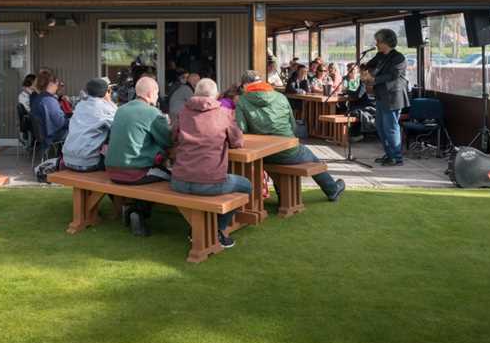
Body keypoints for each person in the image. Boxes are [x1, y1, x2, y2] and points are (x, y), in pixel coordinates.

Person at [234, 71, 345, 202]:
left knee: (276, 162)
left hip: (262, 155)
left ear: (246, 85)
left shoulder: (242, 101)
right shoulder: (280, 97)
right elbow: (293, 126)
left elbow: (242, 130)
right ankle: (332, 190)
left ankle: (283, 196)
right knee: (311, 158)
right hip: (287, 149)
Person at [171, 78, 250, 249]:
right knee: (247, 186)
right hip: (210, 182)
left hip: (179, 181)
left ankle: (200, 228)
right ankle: (218, 229)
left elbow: (173, 137)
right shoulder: (224, 113)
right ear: (215, 94)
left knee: (209, 182)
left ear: (195, 93)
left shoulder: (183, 112)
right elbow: (237, 141)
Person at [105, 76, 173, 236]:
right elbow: (167, 141)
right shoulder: (153, 113)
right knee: (172, 177)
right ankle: (138, 212)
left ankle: (130, 207)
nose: (158, 97)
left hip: (112, 171)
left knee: (151, 172)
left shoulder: (120, 110)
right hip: (135, 172)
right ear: (150, 93)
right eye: (157, 93)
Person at [363, 28, 410, 166]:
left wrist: (373, 79)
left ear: (386, 42)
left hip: (393, 97)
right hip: (381, 96)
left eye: (378, 41)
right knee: (380, 126)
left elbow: (392, 76)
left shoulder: (398, 57)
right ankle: (389, 154)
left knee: (390, 128)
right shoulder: (380, 55)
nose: (376, 44)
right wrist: (365, 69)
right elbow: (370, 65)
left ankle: (397, 158)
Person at [63, 78, 117, 172]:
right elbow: (120, 122)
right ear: (106, 92)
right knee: (115, 164)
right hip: (86, 162)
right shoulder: (105, 107)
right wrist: (109, 101)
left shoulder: (80, 105)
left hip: (67, 158)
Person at [29, 70, 69, 154]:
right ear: (51, 83)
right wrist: (74, 121)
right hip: (51, 135)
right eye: (57, 84)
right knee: (77, 131)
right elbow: (60, 122)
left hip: (43, 134)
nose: (58, 86)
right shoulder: (49, 100)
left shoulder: (38, 98)